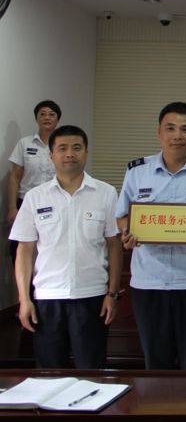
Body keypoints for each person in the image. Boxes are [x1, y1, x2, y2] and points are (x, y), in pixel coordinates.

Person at [115, 102, 186, 370]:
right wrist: (127, 231)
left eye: (185, 129)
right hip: (149, 282)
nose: (178, 135)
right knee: (156, 364)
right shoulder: (137, 171)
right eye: (171, 128)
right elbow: (121, 216)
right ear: (159, 133)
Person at [9, 125, 122, 368]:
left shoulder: (106, 193)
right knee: (49, 373)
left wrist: (112, 294)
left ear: (86, 153)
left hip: (92, 296)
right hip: (47, 298)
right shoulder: (35, 197)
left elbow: (114, 245)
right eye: (62, 148)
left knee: (91, 370)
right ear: (51, 155)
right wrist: (24, 299)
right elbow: (24, 250)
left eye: (76, 147)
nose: (70, 153)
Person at [7, 100, 61, 265]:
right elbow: (15, 176)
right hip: (26, 202)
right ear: (36, 118)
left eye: (51, 114)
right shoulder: (25, 143)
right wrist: (12, 208)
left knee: (51, 245)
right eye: (42, 114)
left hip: (55, 202)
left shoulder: (62, 145)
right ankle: (24, 282)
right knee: (20, 245)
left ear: (57, 119)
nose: (47, 117)